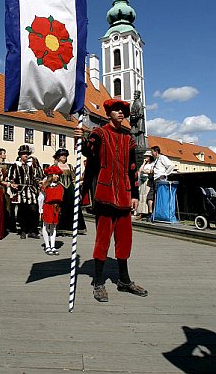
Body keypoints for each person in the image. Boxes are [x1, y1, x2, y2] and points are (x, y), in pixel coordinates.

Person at [77, 97, 148, 303]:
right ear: (109, 114)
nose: (120, 113)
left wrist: (135, 195)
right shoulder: (99, 134)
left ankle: (124, 280)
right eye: (116, 110)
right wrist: (80, 139)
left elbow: (132, 170)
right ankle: (98, 282)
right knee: (103, 240)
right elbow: (88, 153)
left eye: (123, 111)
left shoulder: (128, 139)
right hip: (105, 195)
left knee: (125, 240)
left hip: (125, 195)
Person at [8, 144, 42, 239]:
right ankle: (23, 230)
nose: (26, 155)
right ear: (20, 155)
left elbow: (38, 177)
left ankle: (33, 230)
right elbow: (10, 178)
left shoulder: (33, 165)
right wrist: (12, 183)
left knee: (34, 210)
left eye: (27, 154)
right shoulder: (15, 165)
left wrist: (39, 183)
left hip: (31, 191)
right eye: (24, 154)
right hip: (21, 191)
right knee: (22, 211)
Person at [53, 148, 86, 236]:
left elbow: (73, 178)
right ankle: (59, 228)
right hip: (60, 187)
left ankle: (72, 228)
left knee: (72, 207)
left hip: (69, 188)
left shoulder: (70, 166)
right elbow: (52, 178)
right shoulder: (55, 166)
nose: (64, 157)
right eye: (62, 155)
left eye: (65, 155)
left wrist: (76, 190)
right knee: (60, 208)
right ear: (58, 157)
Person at [38, 165, 64, 255]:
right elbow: (41, 198)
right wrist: (40, 210)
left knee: (53, 226)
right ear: (51, 175)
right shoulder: (46, 187)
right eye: (55, 174)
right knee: (46, 226)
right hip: (47, 207)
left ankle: (52, 246)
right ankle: (47, 246)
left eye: (58, 175)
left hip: (56, 207)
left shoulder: (60, 186)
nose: (57, 176)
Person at [136, 151, 154, 220]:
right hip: (142, 181)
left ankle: (145, 212)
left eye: (147, 156)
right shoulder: (145, 164)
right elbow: (140, 170)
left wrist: (144, 171)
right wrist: (144, 163)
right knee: (141, 196)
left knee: (146, 196)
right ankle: (140, 212)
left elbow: (150, 171)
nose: (146, 157)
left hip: (147, 180)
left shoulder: (152, 164)